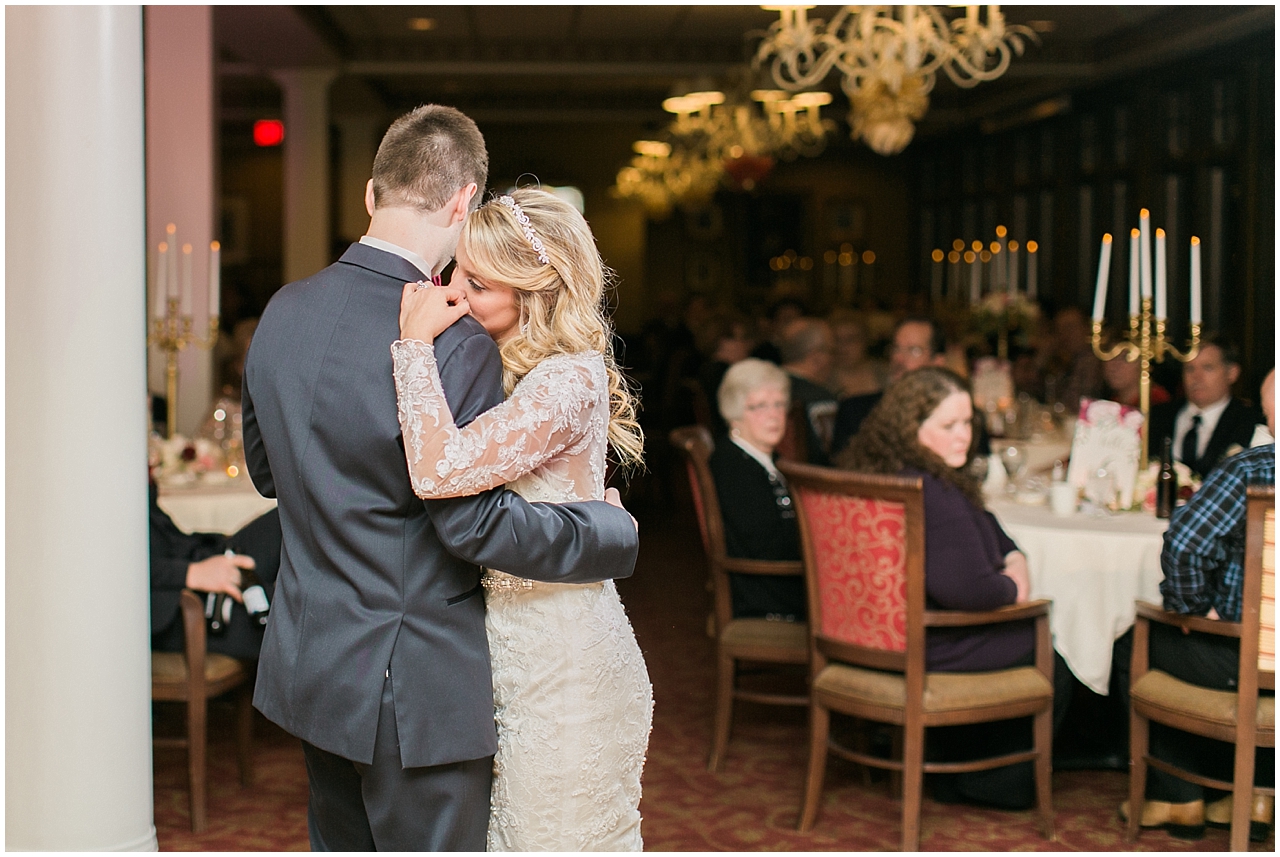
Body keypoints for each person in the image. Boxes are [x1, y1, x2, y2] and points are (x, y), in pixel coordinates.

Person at [241, 105, 640, 852]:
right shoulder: (452, 340)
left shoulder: (281, 311)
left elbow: (269, 474)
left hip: (313, 663)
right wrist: (606, 529)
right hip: (415, 684)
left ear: (369, 194)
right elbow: (469, 522)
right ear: (464, 204)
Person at [391, 188, 653, 851]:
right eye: (456, 270)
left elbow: (439, 470)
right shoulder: (513, 365)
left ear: (535, 293)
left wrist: (413, 346)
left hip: (567, 662)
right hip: (518, 649)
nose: (452, 291)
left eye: (478, 283)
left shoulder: (567, 380)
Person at [836, 367, 1071, 809]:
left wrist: (1013, 553)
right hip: (929, 643)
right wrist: (1011, 585)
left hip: (871, 635)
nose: (963, 436)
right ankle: (988, 785)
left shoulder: (884, 470)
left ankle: (955, 758)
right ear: (911, 428)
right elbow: (970, 592)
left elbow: (988, 527)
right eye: (948, 426)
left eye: (967, 423)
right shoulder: (933, 492)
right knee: (1054, 651)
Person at [1116, 367, 1275, 841]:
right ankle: (1258, 793)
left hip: (1242, 654)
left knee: (1133, 643)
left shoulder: (1251, 469)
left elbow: (1185, 545)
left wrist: (1191, 606)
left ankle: (1177, 796)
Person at [706, 358, 805, 622]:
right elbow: (764, 545)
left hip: (780, 581)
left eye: (779, 404)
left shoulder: (764, 460)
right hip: (766, 594)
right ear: (734, 413)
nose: (773, 415)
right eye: (759, 406)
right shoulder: (734, 466)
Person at [149, 479, 280, 660]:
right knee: (291, 621)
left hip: (192, 556)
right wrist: (191, 573)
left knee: (295, 513)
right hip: (171, 601)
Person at [829, 316, 947, 460]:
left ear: (937, 362)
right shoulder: (856, 411)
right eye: (896, 348)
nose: (899, 359)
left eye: (914, 351)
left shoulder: (954, 418)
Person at [1146, 336, 1264, 479]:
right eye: (1190, 369)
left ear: (1232, 373)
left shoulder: (1250, 422)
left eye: (1207, 367)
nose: (1197, 377)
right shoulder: (1157, 417)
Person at [778, 316, 838, 464]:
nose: (833, 359)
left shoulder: (763, 390)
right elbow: (834, 457)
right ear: (816, 356)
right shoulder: (821, 399)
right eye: (831, 351)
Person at [827, 308, 888, 399]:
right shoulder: (823, 378)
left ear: (865, 341)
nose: (842, 347)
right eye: (837, 340)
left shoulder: (885, 374)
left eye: (850, 340)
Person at [1102, 350, 1171, 409]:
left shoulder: (1157, 402)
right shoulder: (1108, 404)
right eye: (1110, 356)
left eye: (1126, 358)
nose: (1114, 366)